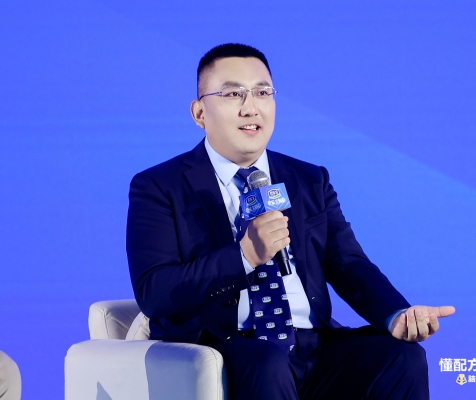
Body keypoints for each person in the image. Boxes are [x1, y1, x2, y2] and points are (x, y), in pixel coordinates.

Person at [126, 43, 455, 399]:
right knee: (267, 361)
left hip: (313, 345)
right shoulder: (160, 185)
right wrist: (244, 257)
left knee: (402, 358)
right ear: (199, 112)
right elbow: (154, 292)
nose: (250, 107)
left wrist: (396, 314)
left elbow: (349, 265)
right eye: (233, 93)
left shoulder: (309, 179)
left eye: (262, 92)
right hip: (228, 348)